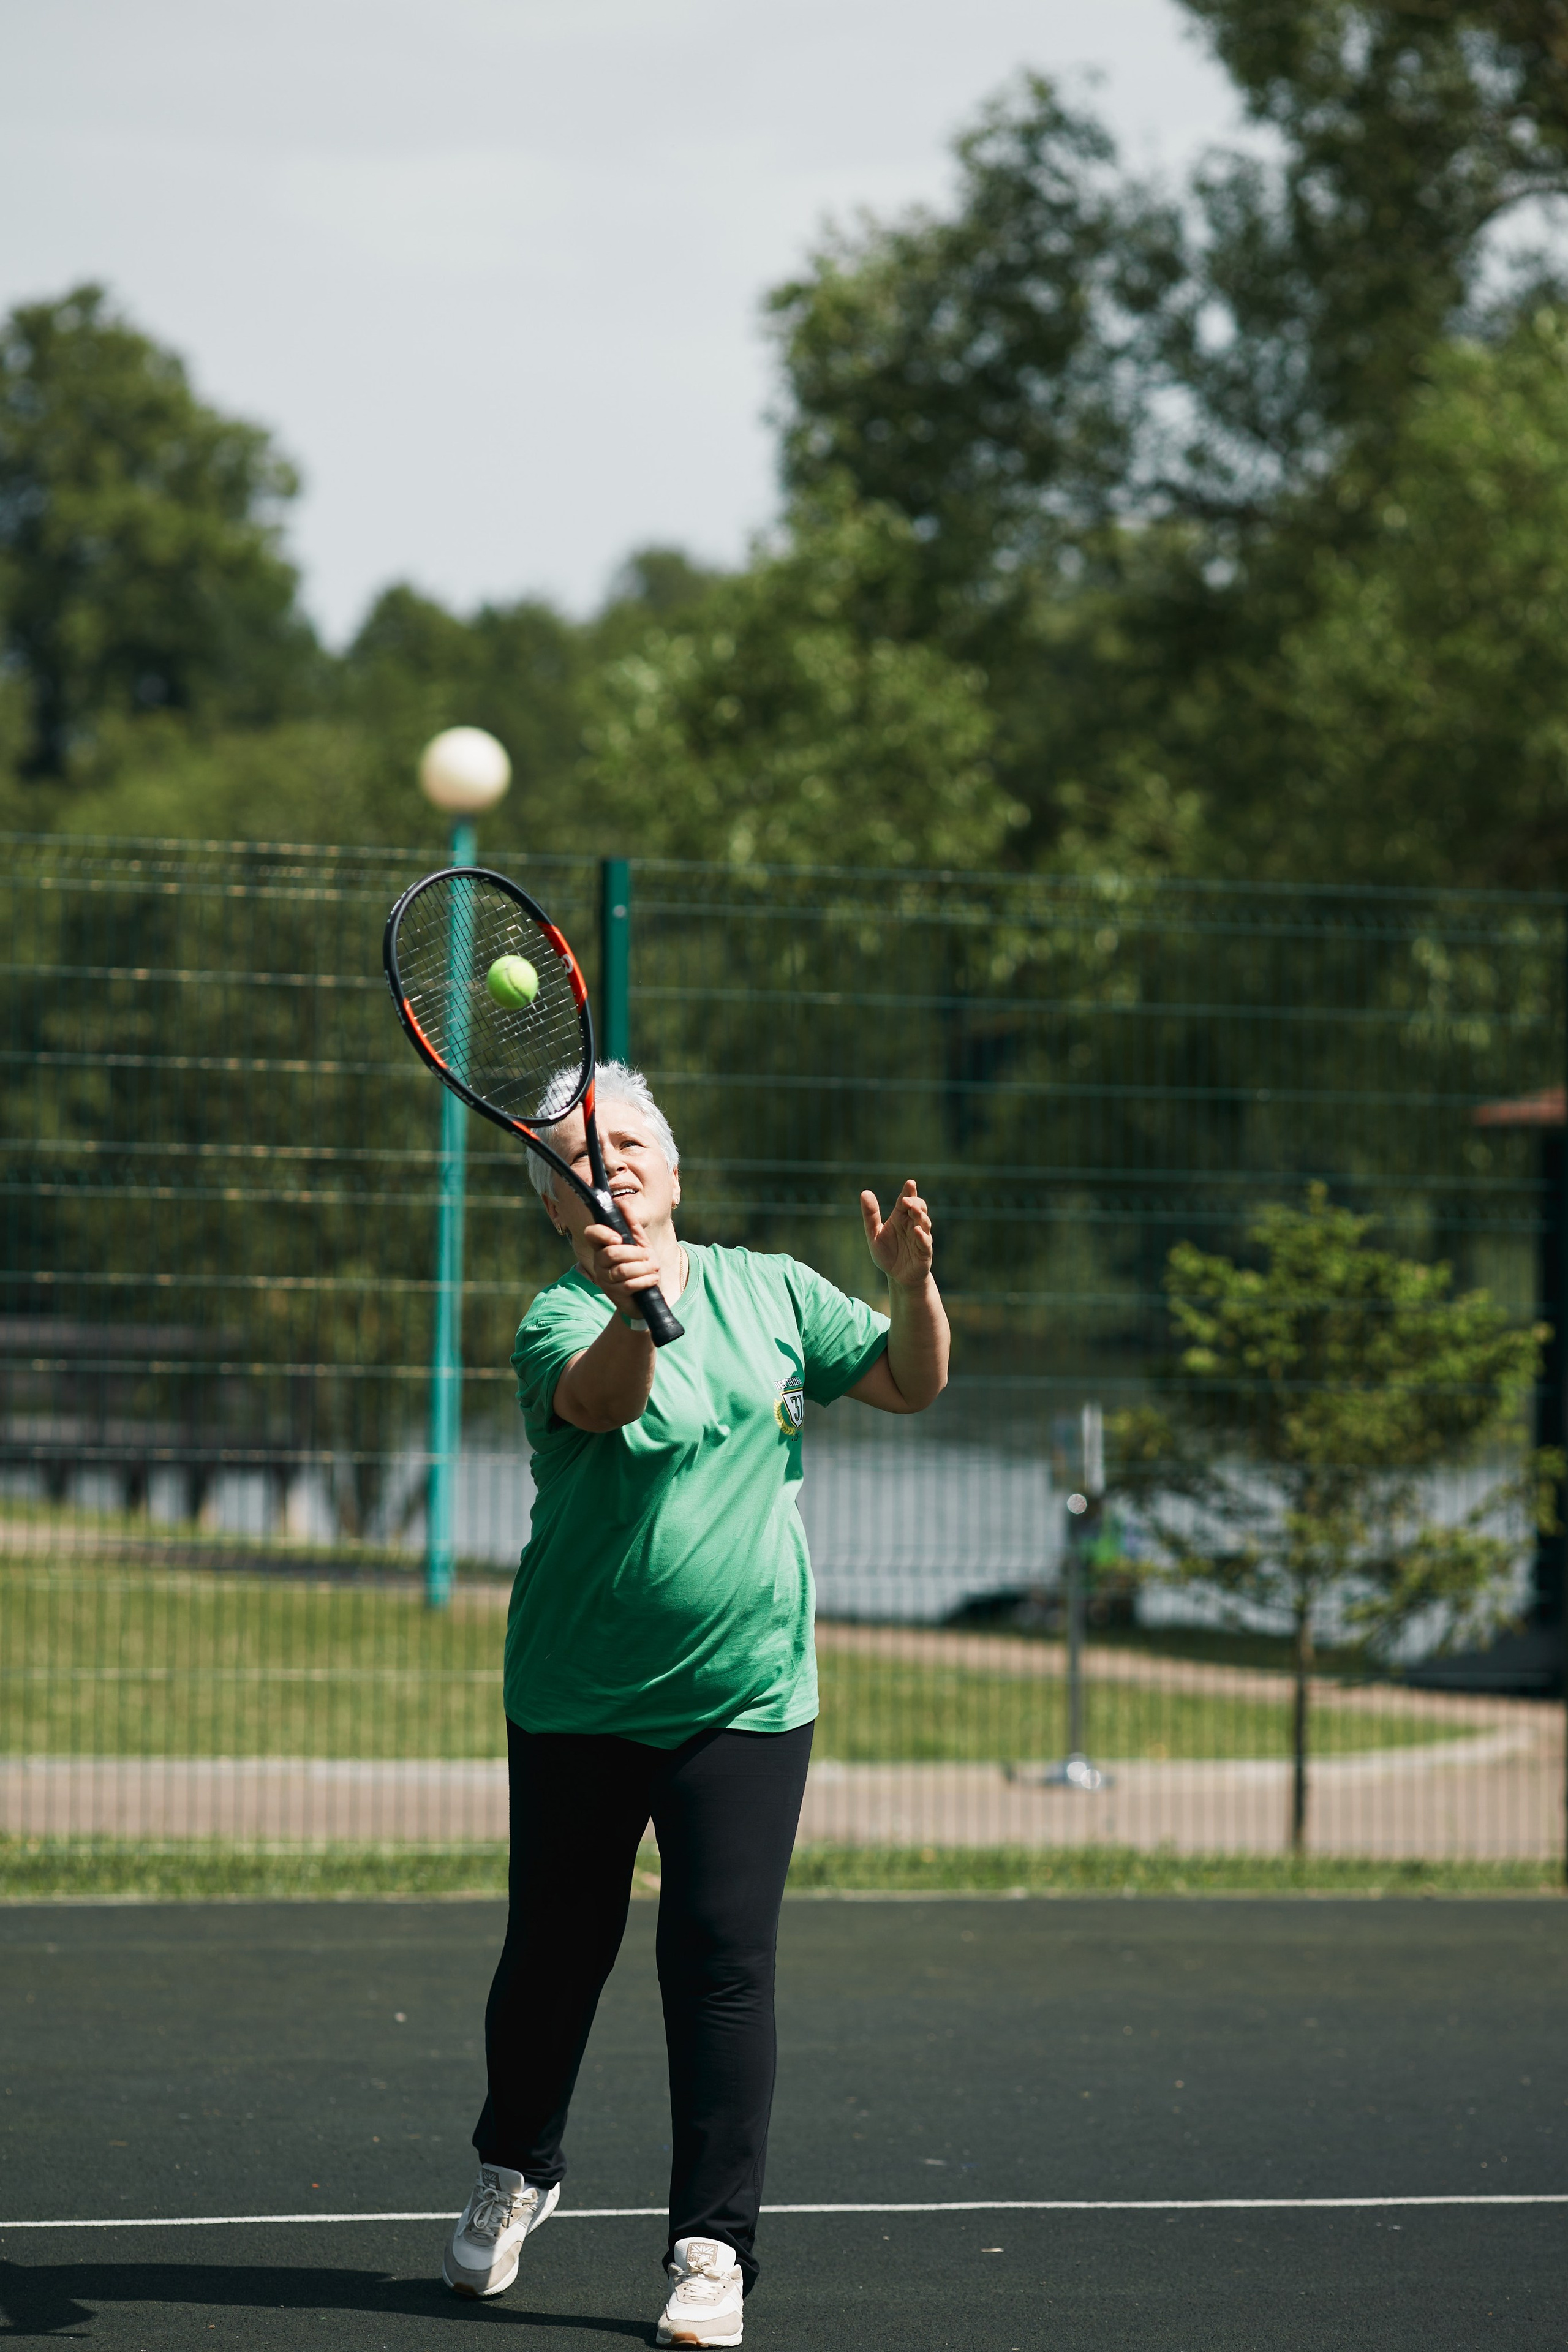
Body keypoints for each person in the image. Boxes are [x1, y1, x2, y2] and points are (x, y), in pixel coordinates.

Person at [442, 1061, 949, 2346]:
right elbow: (605, 1401)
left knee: (721, 1964)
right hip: (578, 1698)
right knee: (555, 1957)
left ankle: (711, 2252)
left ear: (672, 1168)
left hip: (749, 1697)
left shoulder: (773, 1289)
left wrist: (910, 1286)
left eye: (625, 1143)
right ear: (553, 1207)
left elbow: (909, 1382)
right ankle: (516, 2166)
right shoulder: (558, 1319)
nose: (605, 1164)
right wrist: (633, 1310)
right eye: (573, 1160)